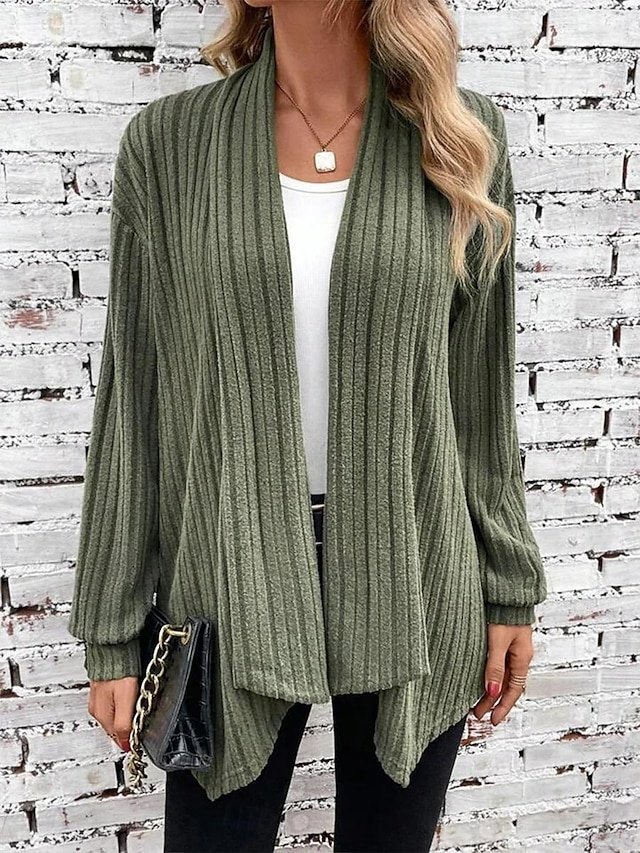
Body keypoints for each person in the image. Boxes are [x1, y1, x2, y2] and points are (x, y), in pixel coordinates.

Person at [68, 0, 548, 850]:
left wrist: (508, 582)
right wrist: (112, 631)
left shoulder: (459, 135)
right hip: (227, 579)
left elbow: (479, 397)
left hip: (420, 570)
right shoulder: (169, 145)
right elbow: (135, 397)